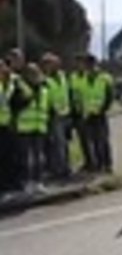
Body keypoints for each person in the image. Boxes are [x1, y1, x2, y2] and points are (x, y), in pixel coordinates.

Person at [76, 54, 114, 174]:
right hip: (88, 115)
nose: (87, 67)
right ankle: (97, 164)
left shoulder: (105, 78)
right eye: (86, 65)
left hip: (100, 114)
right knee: (91, 141)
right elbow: (81, 97)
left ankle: (107, 164)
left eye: (89, 64)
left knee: (103, 140)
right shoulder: (83, 79)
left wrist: (102, 109)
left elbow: (109, 96)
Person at [13, 63, 48, 190]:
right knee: (26, 158)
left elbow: (46, 109)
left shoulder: (44, 89)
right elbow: (14, 105)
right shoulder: (20, 88)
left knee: (39, 157)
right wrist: (27, 99)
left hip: (39, 127)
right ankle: (27, 181)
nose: (34, 75)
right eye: (31, 73)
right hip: (25, 128)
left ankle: (38, 181)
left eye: (36, 72)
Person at [40, 53, 72, 181]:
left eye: (56, 63)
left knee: (64, 143)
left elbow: (67, 93)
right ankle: (58, 169)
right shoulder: (44, 80)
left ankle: (65, 167)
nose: (55, 65)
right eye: (51, 63)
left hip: (65, 114)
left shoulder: (63, 76)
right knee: (56, 144)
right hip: (53, 116)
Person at [0, 60, 20, 193]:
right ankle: (4, 184)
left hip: (11, 125)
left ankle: (13, 183)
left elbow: (26, 95)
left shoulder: (14, 83)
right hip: (1, 126)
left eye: (2, 67)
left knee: (12, 156)